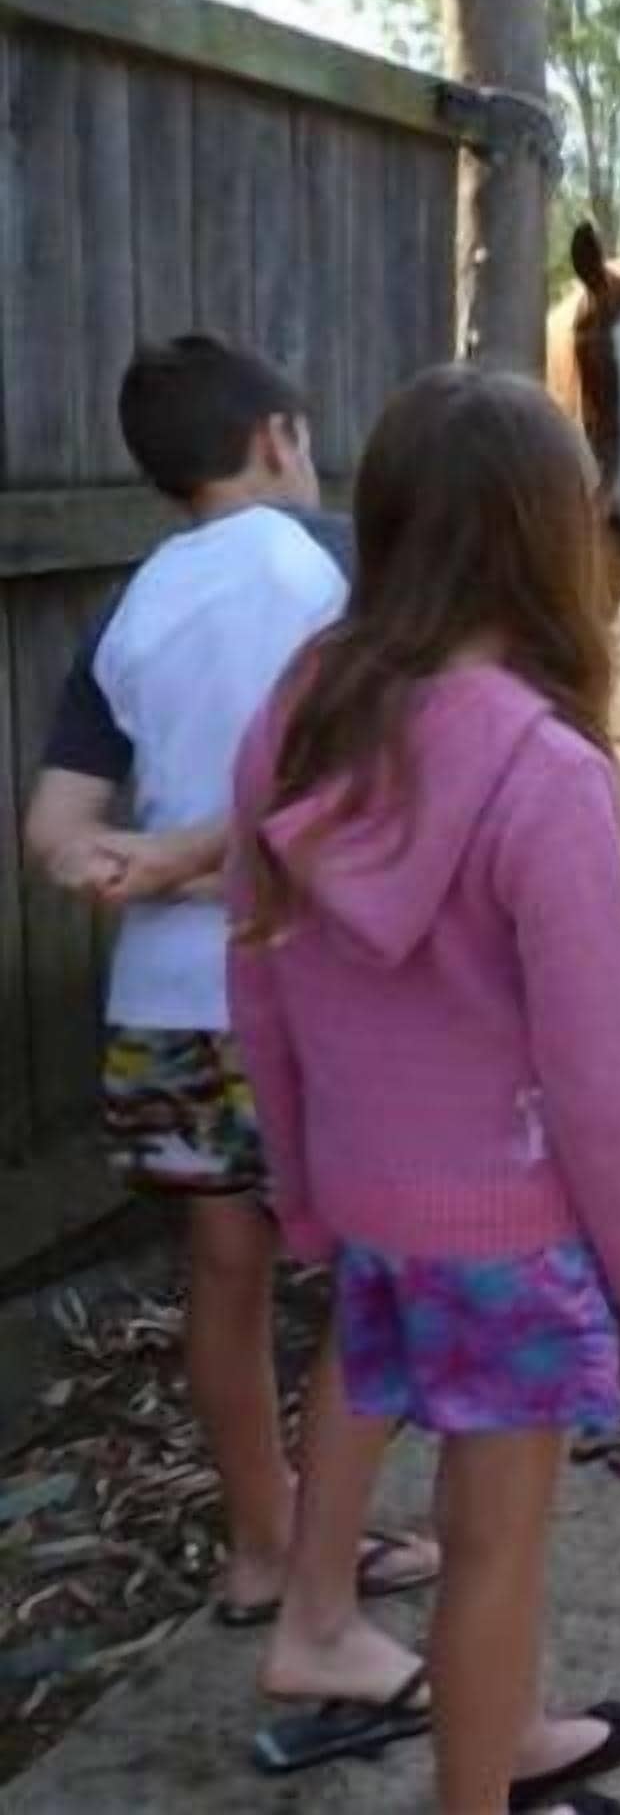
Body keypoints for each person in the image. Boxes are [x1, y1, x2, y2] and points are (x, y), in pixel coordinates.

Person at [228, 363, 620, 1815]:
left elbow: (265, 998)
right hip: (512, 1232)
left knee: (473, 1545)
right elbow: (607, 1080)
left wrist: (308, 1198)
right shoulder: (545, 773)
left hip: (371, 1206)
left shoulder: (298, 717)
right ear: (547, 537)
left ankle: (513, 1737)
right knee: (494, 1555)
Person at [18, 337, 439, 1646]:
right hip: (315, 997)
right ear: (278, 436)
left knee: (225, 1276)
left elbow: (56, 831)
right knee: (369, 1279)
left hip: (162, 1010)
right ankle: (323, 1561)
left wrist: (152, 866)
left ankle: (259, 1546)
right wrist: (241, 868)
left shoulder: (131, 607)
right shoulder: (332, 563)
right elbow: (380, 782)